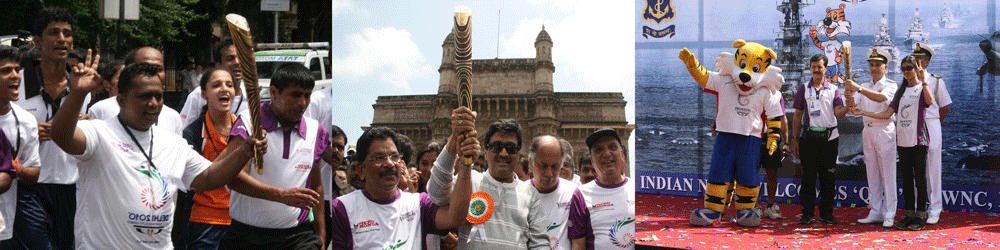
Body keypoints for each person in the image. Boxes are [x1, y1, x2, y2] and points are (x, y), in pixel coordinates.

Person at [50, 58, 266, 248]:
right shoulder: (99, 133)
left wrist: (244, 151)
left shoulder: (173, 143)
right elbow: (61, 136)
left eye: (158, 96)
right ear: (122, 100)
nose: (153, 103)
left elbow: (209, 177)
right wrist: (78, 94)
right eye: (144, 96)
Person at [219, 63, 327, 249]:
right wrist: (281, 195)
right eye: (295, 95)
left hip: (298, 238)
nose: (302, 103)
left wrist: (321, 237)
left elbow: (316, 187)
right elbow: (233, 178)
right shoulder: (249, 122)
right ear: (274, 93)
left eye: (307, 95)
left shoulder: (316, 131)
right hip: (246, 238)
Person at [12, 7, 91, 249]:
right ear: (37, 41)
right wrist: (29, 134)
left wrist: (85, 130)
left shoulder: (81, 87)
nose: (61, 39)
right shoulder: (17, 83)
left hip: (71, 186)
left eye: (67, 33)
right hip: (28, 187)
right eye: (53, 33)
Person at [329, 126, 476, 249]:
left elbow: (455, 217)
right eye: (379, 157)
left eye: (394, 157)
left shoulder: (419, 204)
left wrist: (465, 164)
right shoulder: (342, 209)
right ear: (361, 169)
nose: (389, 163)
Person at [427, 117, 550, 249]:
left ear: (518, 154)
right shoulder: (469, 180)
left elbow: (540, 244)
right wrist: (453, 144)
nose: (504, 153)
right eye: (496, 147)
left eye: (511, 148)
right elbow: (436, 194)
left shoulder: (530, 194)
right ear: (485, 152)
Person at [852, 55, 935, 231]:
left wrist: (924, 80)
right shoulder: (901, 90)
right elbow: (886, 114)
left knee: (919, 179)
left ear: (916, 69)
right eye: (903, 69)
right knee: (905, 180)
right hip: (902, 139)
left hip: (918, 139)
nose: (906, 72)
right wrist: (863, 112)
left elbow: (930, 101)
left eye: (909, 68)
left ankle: (919, 216)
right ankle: (907, 215)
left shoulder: (918, 87)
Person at [180, 68, 237, 250]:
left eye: (229, 85)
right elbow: (197, 182)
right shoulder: (193, 133)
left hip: (239, 218)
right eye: (216, 85)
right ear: (204, 94)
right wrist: (239, 148)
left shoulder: (245, 128)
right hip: (204, 219)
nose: (224, 89)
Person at [791, 54, 850, 225]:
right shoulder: (803, 89)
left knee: (828, 179)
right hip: (808, 139)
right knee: (808, 178)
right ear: (810, 69)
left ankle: (826, 214)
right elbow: (797, 115)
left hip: (829, 139)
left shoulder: (834, 89)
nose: (816, 70)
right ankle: (807, 214)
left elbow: (839, 112)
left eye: (819, 67)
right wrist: (794, 139)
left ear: (826, 68)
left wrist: (849, 106)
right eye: (813, 67)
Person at [844, 48, 899, 228]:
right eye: (872, 65)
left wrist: (858, 88)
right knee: (872, 173)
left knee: (887, 174)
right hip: (867, 131)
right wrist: (849, 97)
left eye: (878, 65)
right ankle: (876, 211)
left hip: (884, 130)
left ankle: (890, 213)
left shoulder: (891, 85)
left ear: (885, 67)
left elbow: (881, 98)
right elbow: (854, 106)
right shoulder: (865, 85)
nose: (874, 68)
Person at [87, 47, 184, 135]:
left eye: (159, 69)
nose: (153, 73)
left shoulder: (173, 117)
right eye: (145, 67)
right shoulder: (101, 110)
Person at [0, 46, 41, 248]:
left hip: (4, 225)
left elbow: (34, 174)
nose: (16, 76)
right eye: (6, 70)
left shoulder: (25, 120)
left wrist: (12, 167)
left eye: (17, 69)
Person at [568, 128, 635, 249]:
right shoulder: (581, 195)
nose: (607, 154)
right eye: (599, 150)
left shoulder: (638, 189)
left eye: (613, 147)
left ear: (622, 154)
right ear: (592, 160)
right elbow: (578, 246)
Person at [911, 43, 952, 225]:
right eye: (914, 58)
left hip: (931, 123)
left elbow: (945, 107)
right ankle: (918, 208)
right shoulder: (908, 81)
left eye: (920, 59)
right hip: (914, 126)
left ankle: (934, 209)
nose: (916, 62)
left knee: (933, 168)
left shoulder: (936, 81)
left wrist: (934, 124)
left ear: (927, 62)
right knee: (916, 170)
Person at [179, 38, 249, 128]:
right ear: (218, 65)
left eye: (241, 58)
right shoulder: (199, 94)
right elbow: (184, 130)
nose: (237, 62)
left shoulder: (250, 99)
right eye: (230, 59)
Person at [528, 135, 579, 250]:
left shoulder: (573, 193)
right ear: (531, 163)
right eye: (543, 166)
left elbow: (578, 242)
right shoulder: (520, 193)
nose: (549, 173)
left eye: (555, 166)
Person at [759, 88, 789, 220]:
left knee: (772, 173)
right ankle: (754, 207)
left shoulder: (777, 94)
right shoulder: (752, 90)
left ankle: (770, 207)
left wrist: (786, 142)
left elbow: (783, 118)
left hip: (772, 137)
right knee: (751, 173)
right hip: (754, 136)